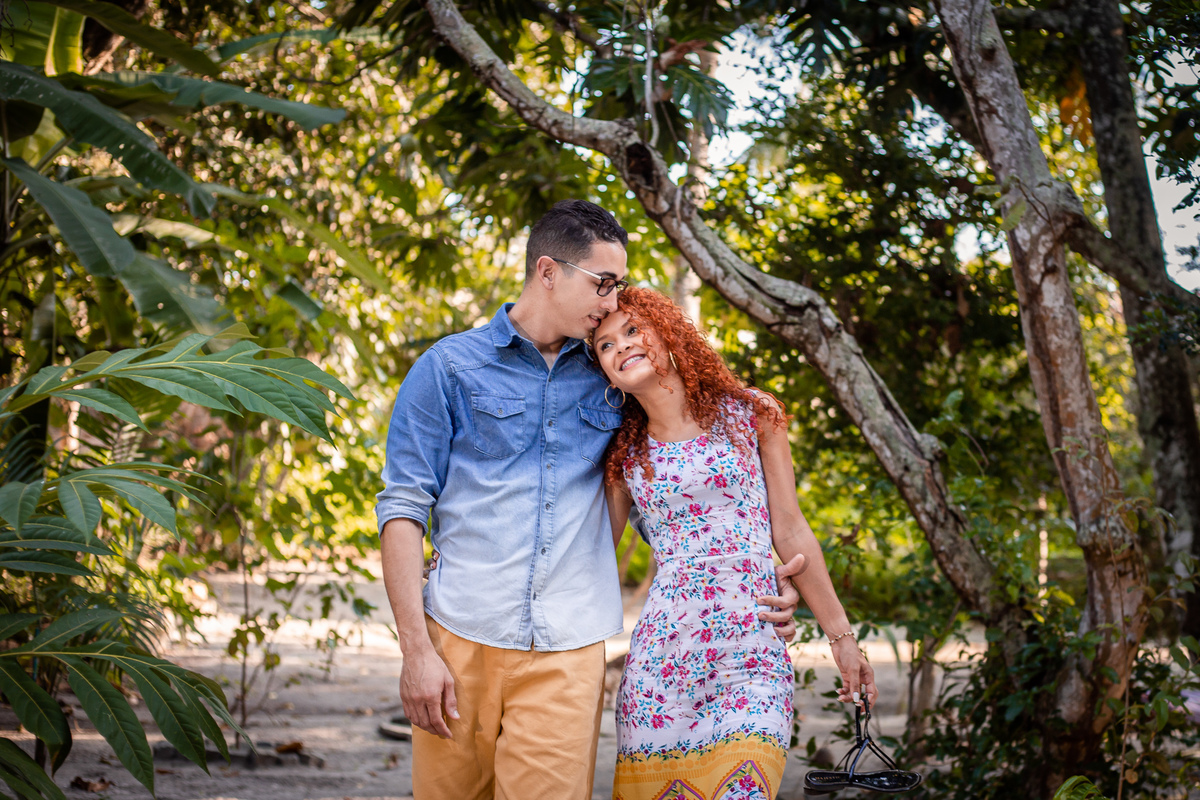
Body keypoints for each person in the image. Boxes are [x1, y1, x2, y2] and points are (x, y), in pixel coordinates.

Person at [374, 200, 801, 800]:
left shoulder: (614, 374)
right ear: (549, 272)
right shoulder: (448, 368)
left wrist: (755, 576)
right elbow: (402, 508)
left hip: (569, 649)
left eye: (619, 285)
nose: (612, 301)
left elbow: (689, 480)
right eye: (604, 283)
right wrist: (415, 650)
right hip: (459, 636)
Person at [592, 287, 876, 800]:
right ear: (605, 373)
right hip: (662, 669)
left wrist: (842, 638)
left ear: (667, 333)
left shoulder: (750, 414)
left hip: (751, 658)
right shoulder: (624, 456)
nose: (621, 347)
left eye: (633, 330)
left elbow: (789, 529)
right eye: (605, 346)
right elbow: (593, 561)